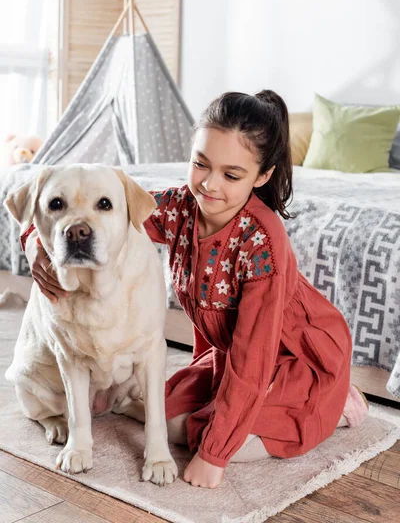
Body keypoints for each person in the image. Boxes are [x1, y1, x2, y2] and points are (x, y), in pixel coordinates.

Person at [22, 90, 369, 490]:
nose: (209, 185)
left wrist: (213, 455)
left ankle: (338, 400)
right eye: (200, 164)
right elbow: (111, 214)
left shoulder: (262, 244)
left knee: (216, 440)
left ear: (262, 176)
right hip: (230, 356)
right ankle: (234, 417)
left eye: (231, 175)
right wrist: (37, 242)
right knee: (166, 421)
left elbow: (254, 357)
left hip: (295, 355)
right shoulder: (180, 207)